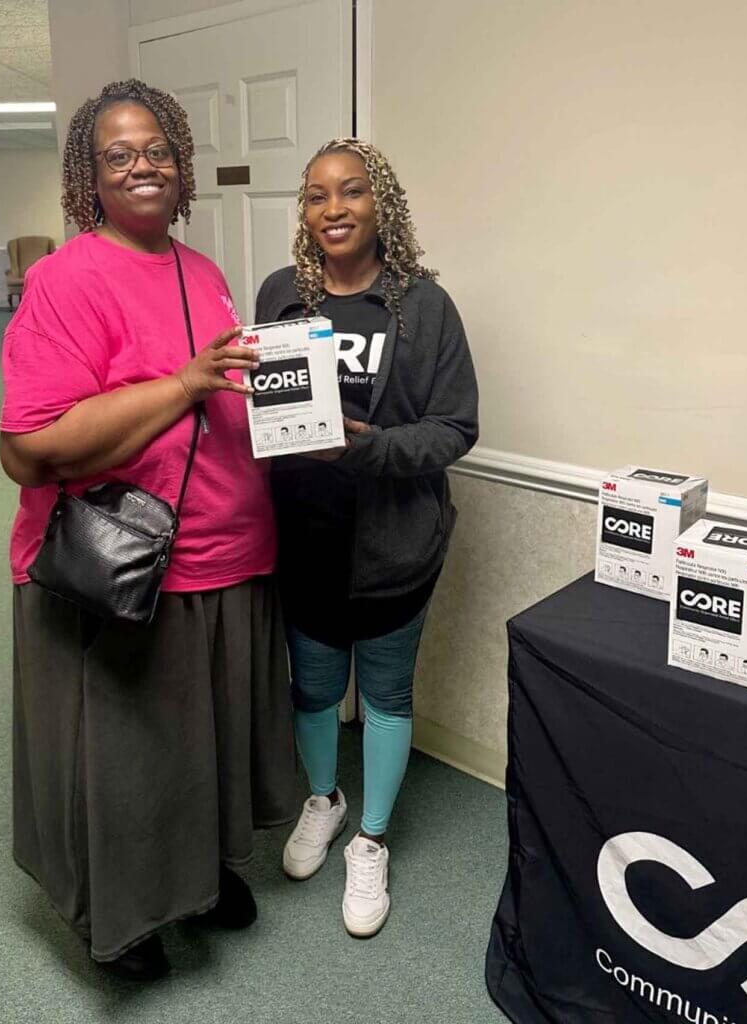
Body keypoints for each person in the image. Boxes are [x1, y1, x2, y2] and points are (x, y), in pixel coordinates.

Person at [0, 79, 297, 981]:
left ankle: (198, 877)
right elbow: (28, 449)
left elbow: (221, 396)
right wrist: (183, 385)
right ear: (90, 176)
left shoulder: (198, 270)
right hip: (122, 561)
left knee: (201, 741)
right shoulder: (64, 279)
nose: (143, 166)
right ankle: (122, 919)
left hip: (225, 551)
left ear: (183, 165)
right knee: (127, 758)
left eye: (158, 149)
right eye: (118, 154)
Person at [255, 139, 479, 937]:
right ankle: (326, 800)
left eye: (351, 192)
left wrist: (366, 447)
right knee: (312, 690)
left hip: (394, 545)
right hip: (305, 539)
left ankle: (373, 840)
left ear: (381, 203)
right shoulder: (282, 294)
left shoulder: (424, 306)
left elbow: (456, 428)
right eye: (316, 196)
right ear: (305, 212)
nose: (333, 209)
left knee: (384, 697)